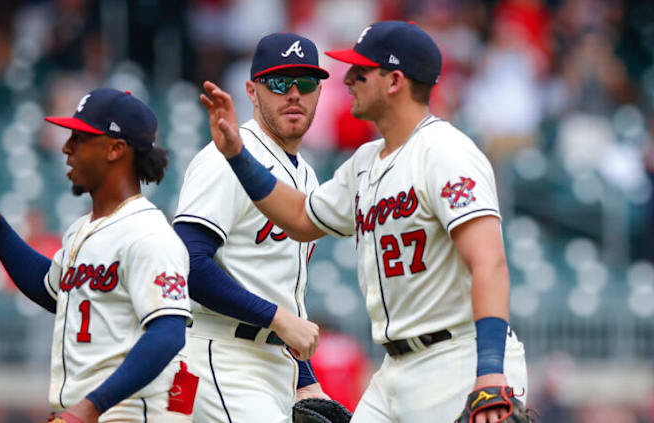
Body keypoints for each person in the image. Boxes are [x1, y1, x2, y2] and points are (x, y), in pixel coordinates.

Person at [199, 21, 528, 423]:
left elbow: (488, 262)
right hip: (394, 369)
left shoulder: (446, 152)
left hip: (458, 358)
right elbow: (302, 216)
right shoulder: (364, 164)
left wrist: (491, 371)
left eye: (360, 71)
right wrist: (237, 155)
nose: (348, 79)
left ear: (394, 81)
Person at [0, 88, 197, 423]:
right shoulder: (83, 230)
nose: (66, 148)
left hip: (130, 414)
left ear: (115, 149)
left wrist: (88, 407)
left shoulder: (149, 235)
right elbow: (51, 289)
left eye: (79, 137)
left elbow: (169, 333)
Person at [172, 32, 331, 422]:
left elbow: (276, 284)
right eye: (279, 82)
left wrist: (304, 377)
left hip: (270, 364)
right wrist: (278, 320)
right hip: (219, 356)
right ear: (252, 91)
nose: (294, 93)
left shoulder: (307, 175)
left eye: (306, 83)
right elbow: (187, 261)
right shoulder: (227, 156)